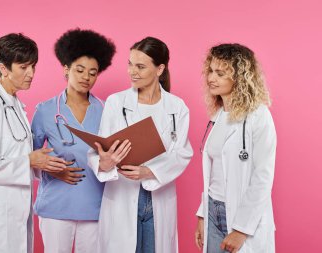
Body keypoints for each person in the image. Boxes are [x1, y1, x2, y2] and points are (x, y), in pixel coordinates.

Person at [0, 33, 68, 253]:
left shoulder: (15, 105)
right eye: (23, 67)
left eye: (33, 66)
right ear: (4, 68)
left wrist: (42, 164)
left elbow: (14, 153)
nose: (31, 74)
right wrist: (29, 160)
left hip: (13, 212)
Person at [88, 36, 193, 253]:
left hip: (158, 196)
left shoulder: (177, 107)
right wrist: (103, 162)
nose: (132, 71)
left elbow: (182, 153)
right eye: (130, 64)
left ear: (159, 69)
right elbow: (98, 150)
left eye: (140, 66)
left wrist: (149, 171)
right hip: (122, 194)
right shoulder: (116, 103)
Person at [31, 28, 116, 253]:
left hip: (94, 207)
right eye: (79, 70)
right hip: (56, 206)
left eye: (92, 72)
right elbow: (30, 158)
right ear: (66, 70)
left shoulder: (108, 111)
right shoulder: (45, 111)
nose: (86, 77)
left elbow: (112, 156)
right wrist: (50, 170)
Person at [194, 44, 277, 253]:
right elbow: (213, 174)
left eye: (220, 73)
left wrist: (241, 229)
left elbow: (263, 177)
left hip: (243, 214)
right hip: (213, 209)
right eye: (211, 71)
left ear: (239, 77)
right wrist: (202, 214)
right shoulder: (218, 115)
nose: (211, 78)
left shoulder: (259, 116)